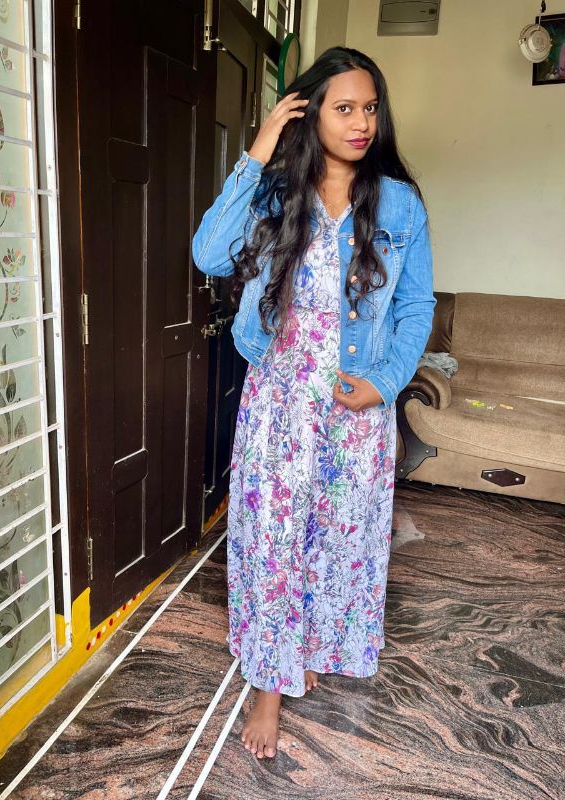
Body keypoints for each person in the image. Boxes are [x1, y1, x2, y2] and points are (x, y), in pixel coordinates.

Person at [192, 46, 435, 761]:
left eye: (370, 108)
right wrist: (260, 149)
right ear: (310, 113)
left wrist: (385, 382)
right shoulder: (275, 193)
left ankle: (315, 646)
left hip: (355, 411)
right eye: (344, 107)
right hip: (281, 403)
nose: (362, 122)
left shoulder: (400, 203)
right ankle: (268, 687)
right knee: (274, 540)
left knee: (340, 539)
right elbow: (210, 253)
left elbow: (416, 306)